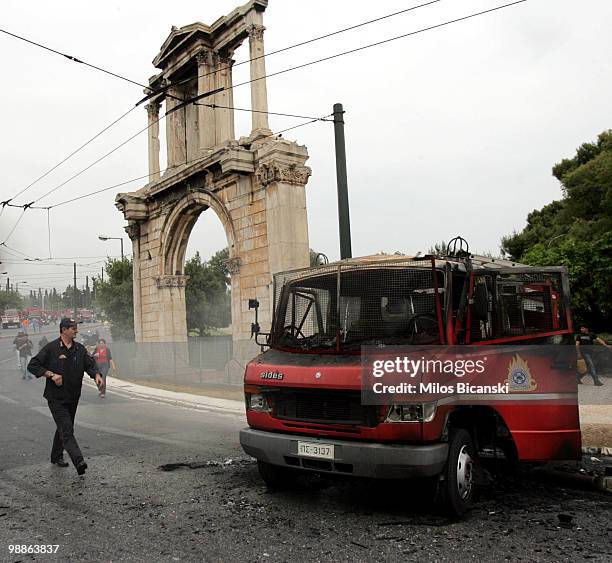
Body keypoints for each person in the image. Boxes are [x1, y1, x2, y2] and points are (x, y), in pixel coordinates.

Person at [28, 318, 104, 475]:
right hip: (56, 397)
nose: (76, 330)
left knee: (63, 427)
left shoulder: (80, 349)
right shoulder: (51, 348)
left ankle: (56, 456)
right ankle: (79, 461)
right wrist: (50, 374)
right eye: (73, 328)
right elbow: (33, 365)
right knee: (67, 429)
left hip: (73, 396)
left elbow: (90, 365)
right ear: (63, 330)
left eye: (76, 328)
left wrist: (96, 375)